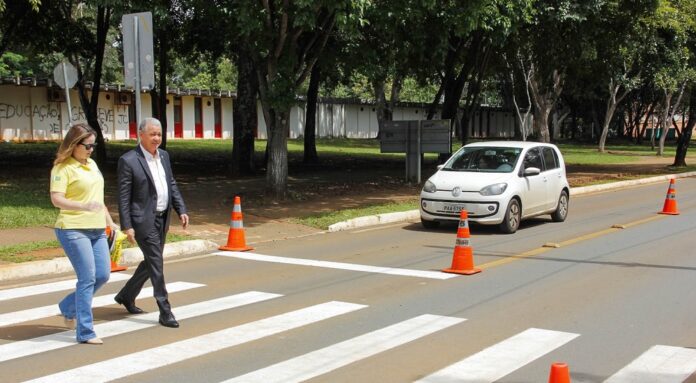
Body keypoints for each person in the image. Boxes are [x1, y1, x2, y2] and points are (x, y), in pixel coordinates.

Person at [114, 117, 189, 328]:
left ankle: (126, 295)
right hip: (142, 220)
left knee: (150, 262)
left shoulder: (164, 156)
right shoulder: (129, 160)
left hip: (162, 218)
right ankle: (165, 310)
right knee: (156, 263)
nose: (157, 138)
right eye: (152, 134)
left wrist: (180, 208)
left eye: (159, 134)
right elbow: (123, 196)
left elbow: (170, 184)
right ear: (141, 134)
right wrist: (127, 225)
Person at [50, 123, 118, 345]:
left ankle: (68, 307)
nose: (90, 150)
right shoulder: (63, 168)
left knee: (103, 275)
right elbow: (56, 199)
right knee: (87, 278)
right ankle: (85, 332)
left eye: (93, 146)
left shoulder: (92, 164)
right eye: (86, 146)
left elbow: (97, 198)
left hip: (97, 229)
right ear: (74, 144)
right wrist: (83, 206)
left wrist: (111, 223)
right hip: (72, 228)